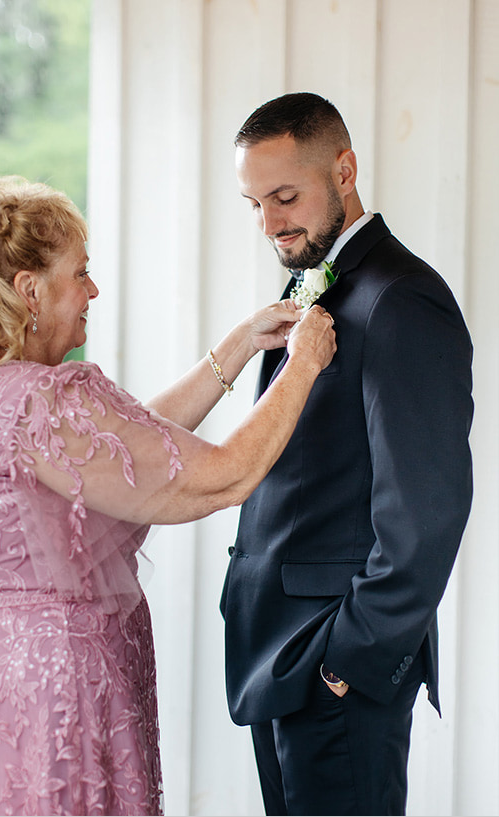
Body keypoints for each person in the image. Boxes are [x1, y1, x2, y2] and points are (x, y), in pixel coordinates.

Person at [0, 176, 337, 816]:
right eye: (80, 272)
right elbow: (221, 475)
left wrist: (241, 345)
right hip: (48, 705)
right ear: (30, 290)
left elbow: (118, 453)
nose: (93, 290)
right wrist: (304, 364)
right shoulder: (43, 398)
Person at [223, 92, 473, 816]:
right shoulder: (314, 287)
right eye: (253, 203)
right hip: (275, 656)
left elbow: (426, 509)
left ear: (345, 169)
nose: (270, 224)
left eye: (285, 196)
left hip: (333, 669)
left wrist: (349, 662)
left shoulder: (401, 301)